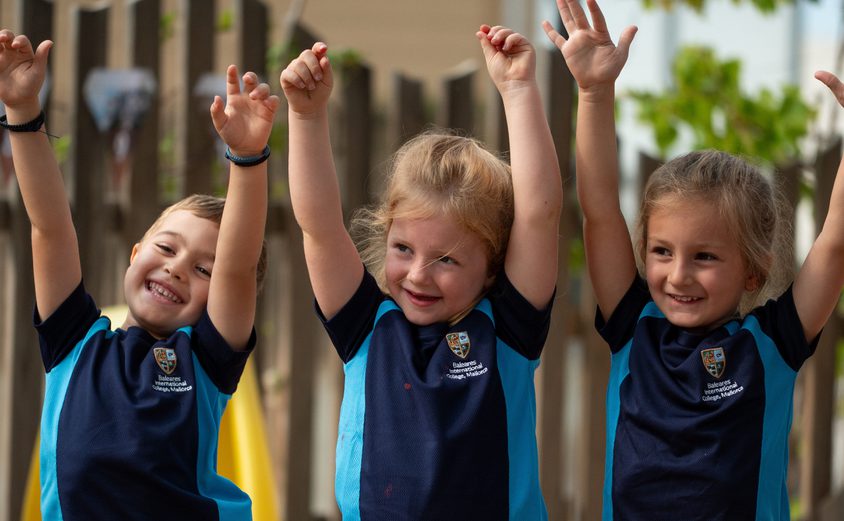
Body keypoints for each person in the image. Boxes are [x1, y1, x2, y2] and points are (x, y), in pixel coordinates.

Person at [542, 0, 844, 519]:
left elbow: (835, 246)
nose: (677, 274)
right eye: (661, 252)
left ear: (753, 268)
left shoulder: (773, 342)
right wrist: (593, 93)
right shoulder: (633, 323)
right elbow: (599, 210)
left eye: (704, 256)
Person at [280, 24, 562, 520]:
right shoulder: (366, 326)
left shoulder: (510, 333)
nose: (417, 275)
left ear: (493, 267)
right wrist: (306, 116)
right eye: (403, 248)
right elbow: (319, 226)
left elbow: (539, 214)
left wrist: (517, 89)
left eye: (447, 259)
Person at [0, 29, 277, 520]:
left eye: (202, 268)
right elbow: (50, 229)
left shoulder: (206, 360)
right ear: (135, 253)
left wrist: (248, 159)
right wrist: (22, 112)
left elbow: (237, 266)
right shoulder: (74, 343)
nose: (175, 267)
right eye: (167, 247)